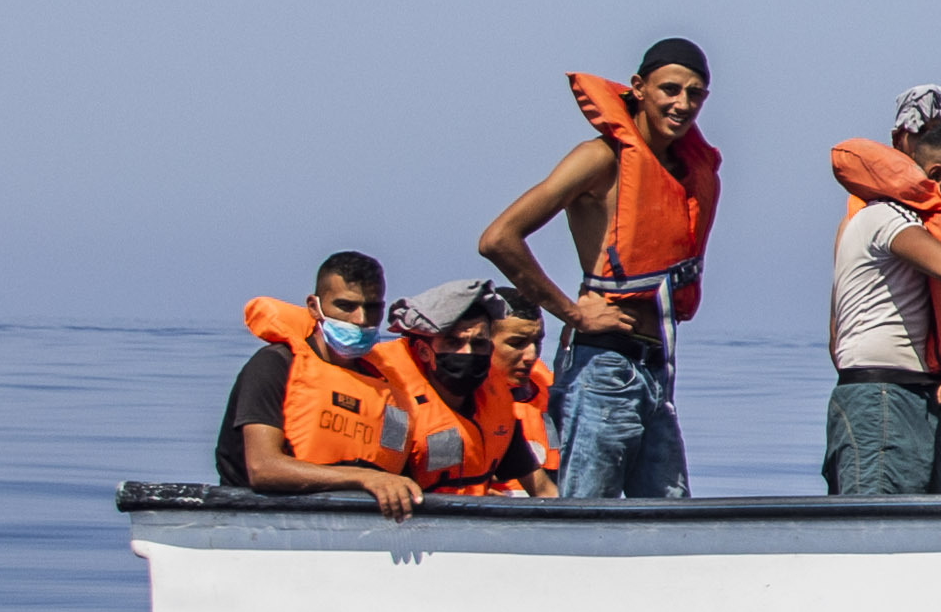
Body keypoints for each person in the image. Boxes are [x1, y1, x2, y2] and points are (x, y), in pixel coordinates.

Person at [475, 39, 724, 499]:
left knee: (671, 517)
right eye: (670, 89)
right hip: (603, 367)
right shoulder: (601, 158)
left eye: (695, 94)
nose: (682, 103)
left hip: (656, 372)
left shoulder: (687, 172)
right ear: (639, 88)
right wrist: (572, 313)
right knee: (587, 513)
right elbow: (498, 238)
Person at [823, 108, 941, 498]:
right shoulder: (884, 218)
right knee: (876, 525)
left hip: (910, 395)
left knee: (910, 523)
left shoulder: (911, 224)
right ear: (934, 176)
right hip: (880, 395)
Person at [220, 253, 436, 515]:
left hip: (359, 522)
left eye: (372, 308)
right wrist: (362, 478)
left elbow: (391, 471)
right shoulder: (275, 365)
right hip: (262, 517)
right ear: (314, 307)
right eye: (346, 306)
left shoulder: (388, 388)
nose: (360, 319)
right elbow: (263, 468)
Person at [392, 276, 545, 493]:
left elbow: (543, 490)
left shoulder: (496, 407)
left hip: (471, 521)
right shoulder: (395, 408)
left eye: (479, 343)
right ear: (424, 351)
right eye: (454, 342)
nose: (468, 353)